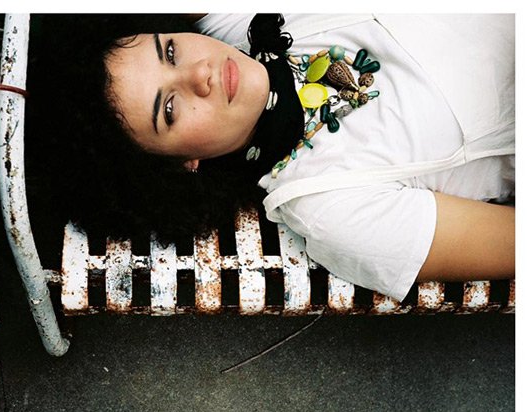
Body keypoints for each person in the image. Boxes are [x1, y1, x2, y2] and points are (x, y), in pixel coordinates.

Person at [30, 14, 514, 301]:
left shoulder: (240, 23)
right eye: (170, 109)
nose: (200, 73)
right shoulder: (331, 208)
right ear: (180, 166)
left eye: (170, 51)